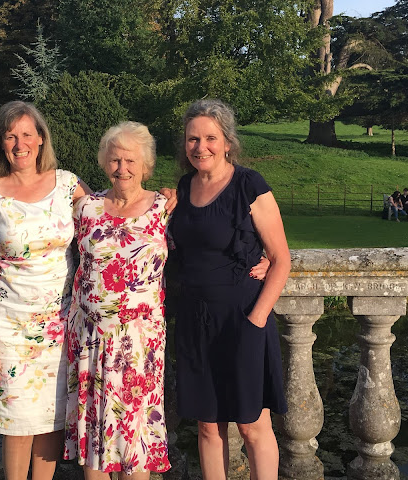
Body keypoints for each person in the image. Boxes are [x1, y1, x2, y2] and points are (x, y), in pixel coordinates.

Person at [0, 101, 92, 480]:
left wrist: (158, 200)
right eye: (10, 136)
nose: (19, 144)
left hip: (61, 327)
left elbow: (107, 222)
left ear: (40, 139)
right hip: (8, 330)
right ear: (0, 144)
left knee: (51, 421)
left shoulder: (68, 185)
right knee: (18, 425)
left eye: (26, 134)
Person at [169, 99, 290, 480]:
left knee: (252, 424)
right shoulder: (183, 188)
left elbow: (281, 259)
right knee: (208, 425)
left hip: (243, 319)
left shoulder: (248, 184)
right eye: (192, 139)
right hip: (195, 320)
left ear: (226, 142)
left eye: (210, 138)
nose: (200, 147)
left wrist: (256, 320)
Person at [63, 122, 171, 478]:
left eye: (130, 160)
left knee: (134, 439)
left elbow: (209, 243)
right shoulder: (85, 208)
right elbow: (42, 240)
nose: (122, 168)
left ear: (146, 165)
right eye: (114, 160)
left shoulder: (165, 208)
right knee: (95, 435)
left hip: (140, 344)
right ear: (104, 163)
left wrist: (263, 257)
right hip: (90, 339)